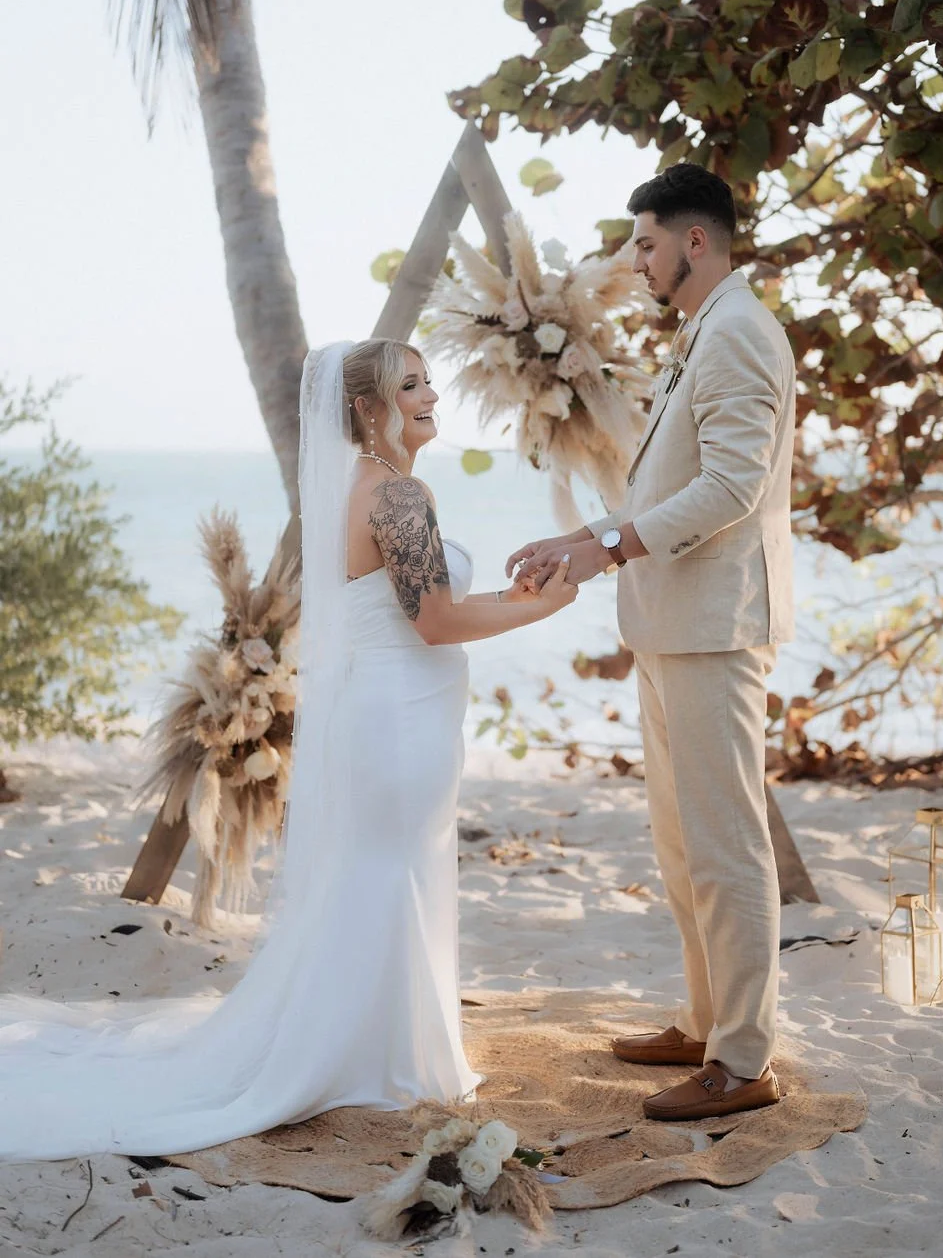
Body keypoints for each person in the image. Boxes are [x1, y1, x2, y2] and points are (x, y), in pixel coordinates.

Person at [0, 338, 575, 1161]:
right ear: (367, 410)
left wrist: (510, 597)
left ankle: (378, 1048)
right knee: (393, 874)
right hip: (400, 722)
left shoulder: (359, 490)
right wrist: (538, 611)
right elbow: (436, 620)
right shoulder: (400, 496)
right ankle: (384, 1061)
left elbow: (418, 606)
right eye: (409, 385)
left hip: (390, 712)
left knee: (384, 874)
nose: (430, 394)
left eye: (426, 380)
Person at [507, 163, 796, 1123]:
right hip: (673, 626)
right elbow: (669, 481)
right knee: (681, 846)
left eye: (644, 243)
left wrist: (607, 545)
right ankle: (707, 1023)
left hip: (716, 629)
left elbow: (731, 488)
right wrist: (586, 538)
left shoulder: (741, 334)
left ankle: (744, 1058)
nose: (637, 260)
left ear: (695, 240)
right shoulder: (701, 333)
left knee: (725, 846)